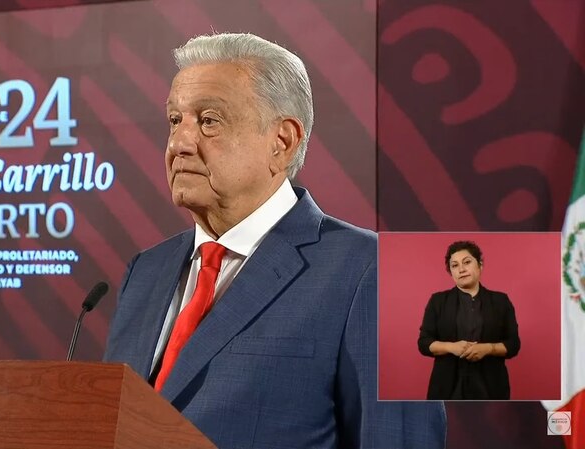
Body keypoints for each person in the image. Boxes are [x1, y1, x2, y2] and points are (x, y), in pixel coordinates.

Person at [104, 33, 446, 448]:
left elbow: (399, 439)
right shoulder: (146, 271)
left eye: (209, 120)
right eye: (175, 120)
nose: (179, 143)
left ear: (282, 142)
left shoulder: (374, 270)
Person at [418, 240, 520, 400]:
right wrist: (451, 347)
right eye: (455, 265)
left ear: (480, 265)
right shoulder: (438, 301)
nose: (461, 269)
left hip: (490, 387)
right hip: (447, 387)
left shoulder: (501, 301)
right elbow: (424, 343)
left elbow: (513, 344)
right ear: (450, 272)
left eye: (467, 262)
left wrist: (487, 348)